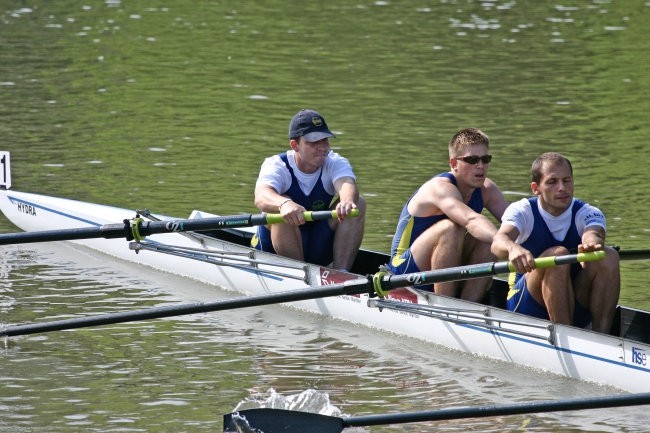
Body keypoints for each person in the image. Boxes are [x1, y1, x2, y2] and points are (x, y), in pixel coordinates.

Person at [490, 152, 620, 333]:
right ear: (536, 188)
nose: (562, 188)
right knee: (558, 255)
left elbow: (594, 233)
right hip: (526, 305)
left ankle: (602, 338)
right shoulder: (522, 211)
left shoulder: (588, 212)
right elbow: (498, 242)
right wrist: (513, 248)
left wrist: (591, 244)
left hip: (573, 303)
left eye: (567, 181)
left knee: (609, 256)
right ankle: (566, 338)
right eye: (552, 182)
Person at [386, 128, 508, 302]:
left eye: (485, 159)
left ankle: (469, 307)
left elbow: (516, 224)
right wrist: (508, 245)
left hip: (442, 268)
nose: (480, 165)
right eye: (472, 160)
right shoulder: (440, 188)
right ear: (453, 163)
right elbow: (471, 220)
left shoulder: (487, 189)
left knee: (488, 237)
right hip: (404, 271)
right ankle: (445, 305)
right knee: (450, 228)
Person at [251, 109, 365, 271]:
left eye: (325, 140)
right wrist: (284, 204)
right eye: (313, 142)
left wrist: (347, 201)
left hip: (317, 244)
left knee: (358, 203)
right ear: (294, 145)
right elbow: (261, 196)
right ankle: (300, 275)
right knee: (279, 210)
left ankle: (342, 274)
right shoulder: (277, 165)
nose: (322, 147)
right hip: (274, 252)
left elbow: (346, 183)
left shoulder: (334, 161)